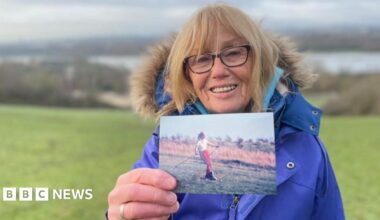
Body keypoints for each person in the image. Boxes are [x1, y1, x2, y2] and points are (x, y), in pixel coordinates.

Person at [107, 3, 345, 220]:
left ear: (259, 61)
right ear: (186, 74)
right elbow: (130, 210)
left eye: (234, 53)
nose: (218, 71)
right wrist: (120, 214)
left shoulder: (306, 147)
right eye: (201, 59)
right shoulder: (163, 147)